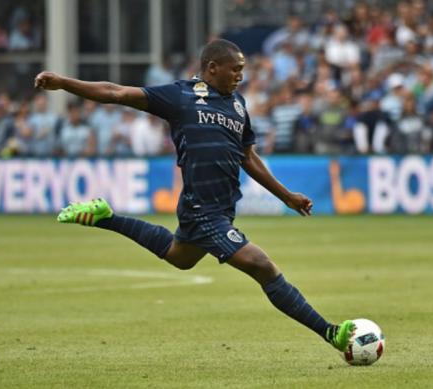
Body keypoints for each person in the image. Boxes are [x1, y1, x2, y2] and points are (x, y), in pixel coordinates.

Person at [34, 39, 355, 353]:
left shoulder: (238, 104)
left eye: (243, 71)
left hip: (221, 208)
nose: (241, 76)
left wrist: (286, 196)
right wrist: (64, 82)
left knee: (180, 257)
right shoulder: (181, 95)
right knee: (262, 266)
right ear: (212, 68)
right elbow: (116, 92)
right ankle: (330, 332)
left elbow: (248, 156)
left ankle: (106, 217)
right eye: (236, 70)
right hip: (202, 208)